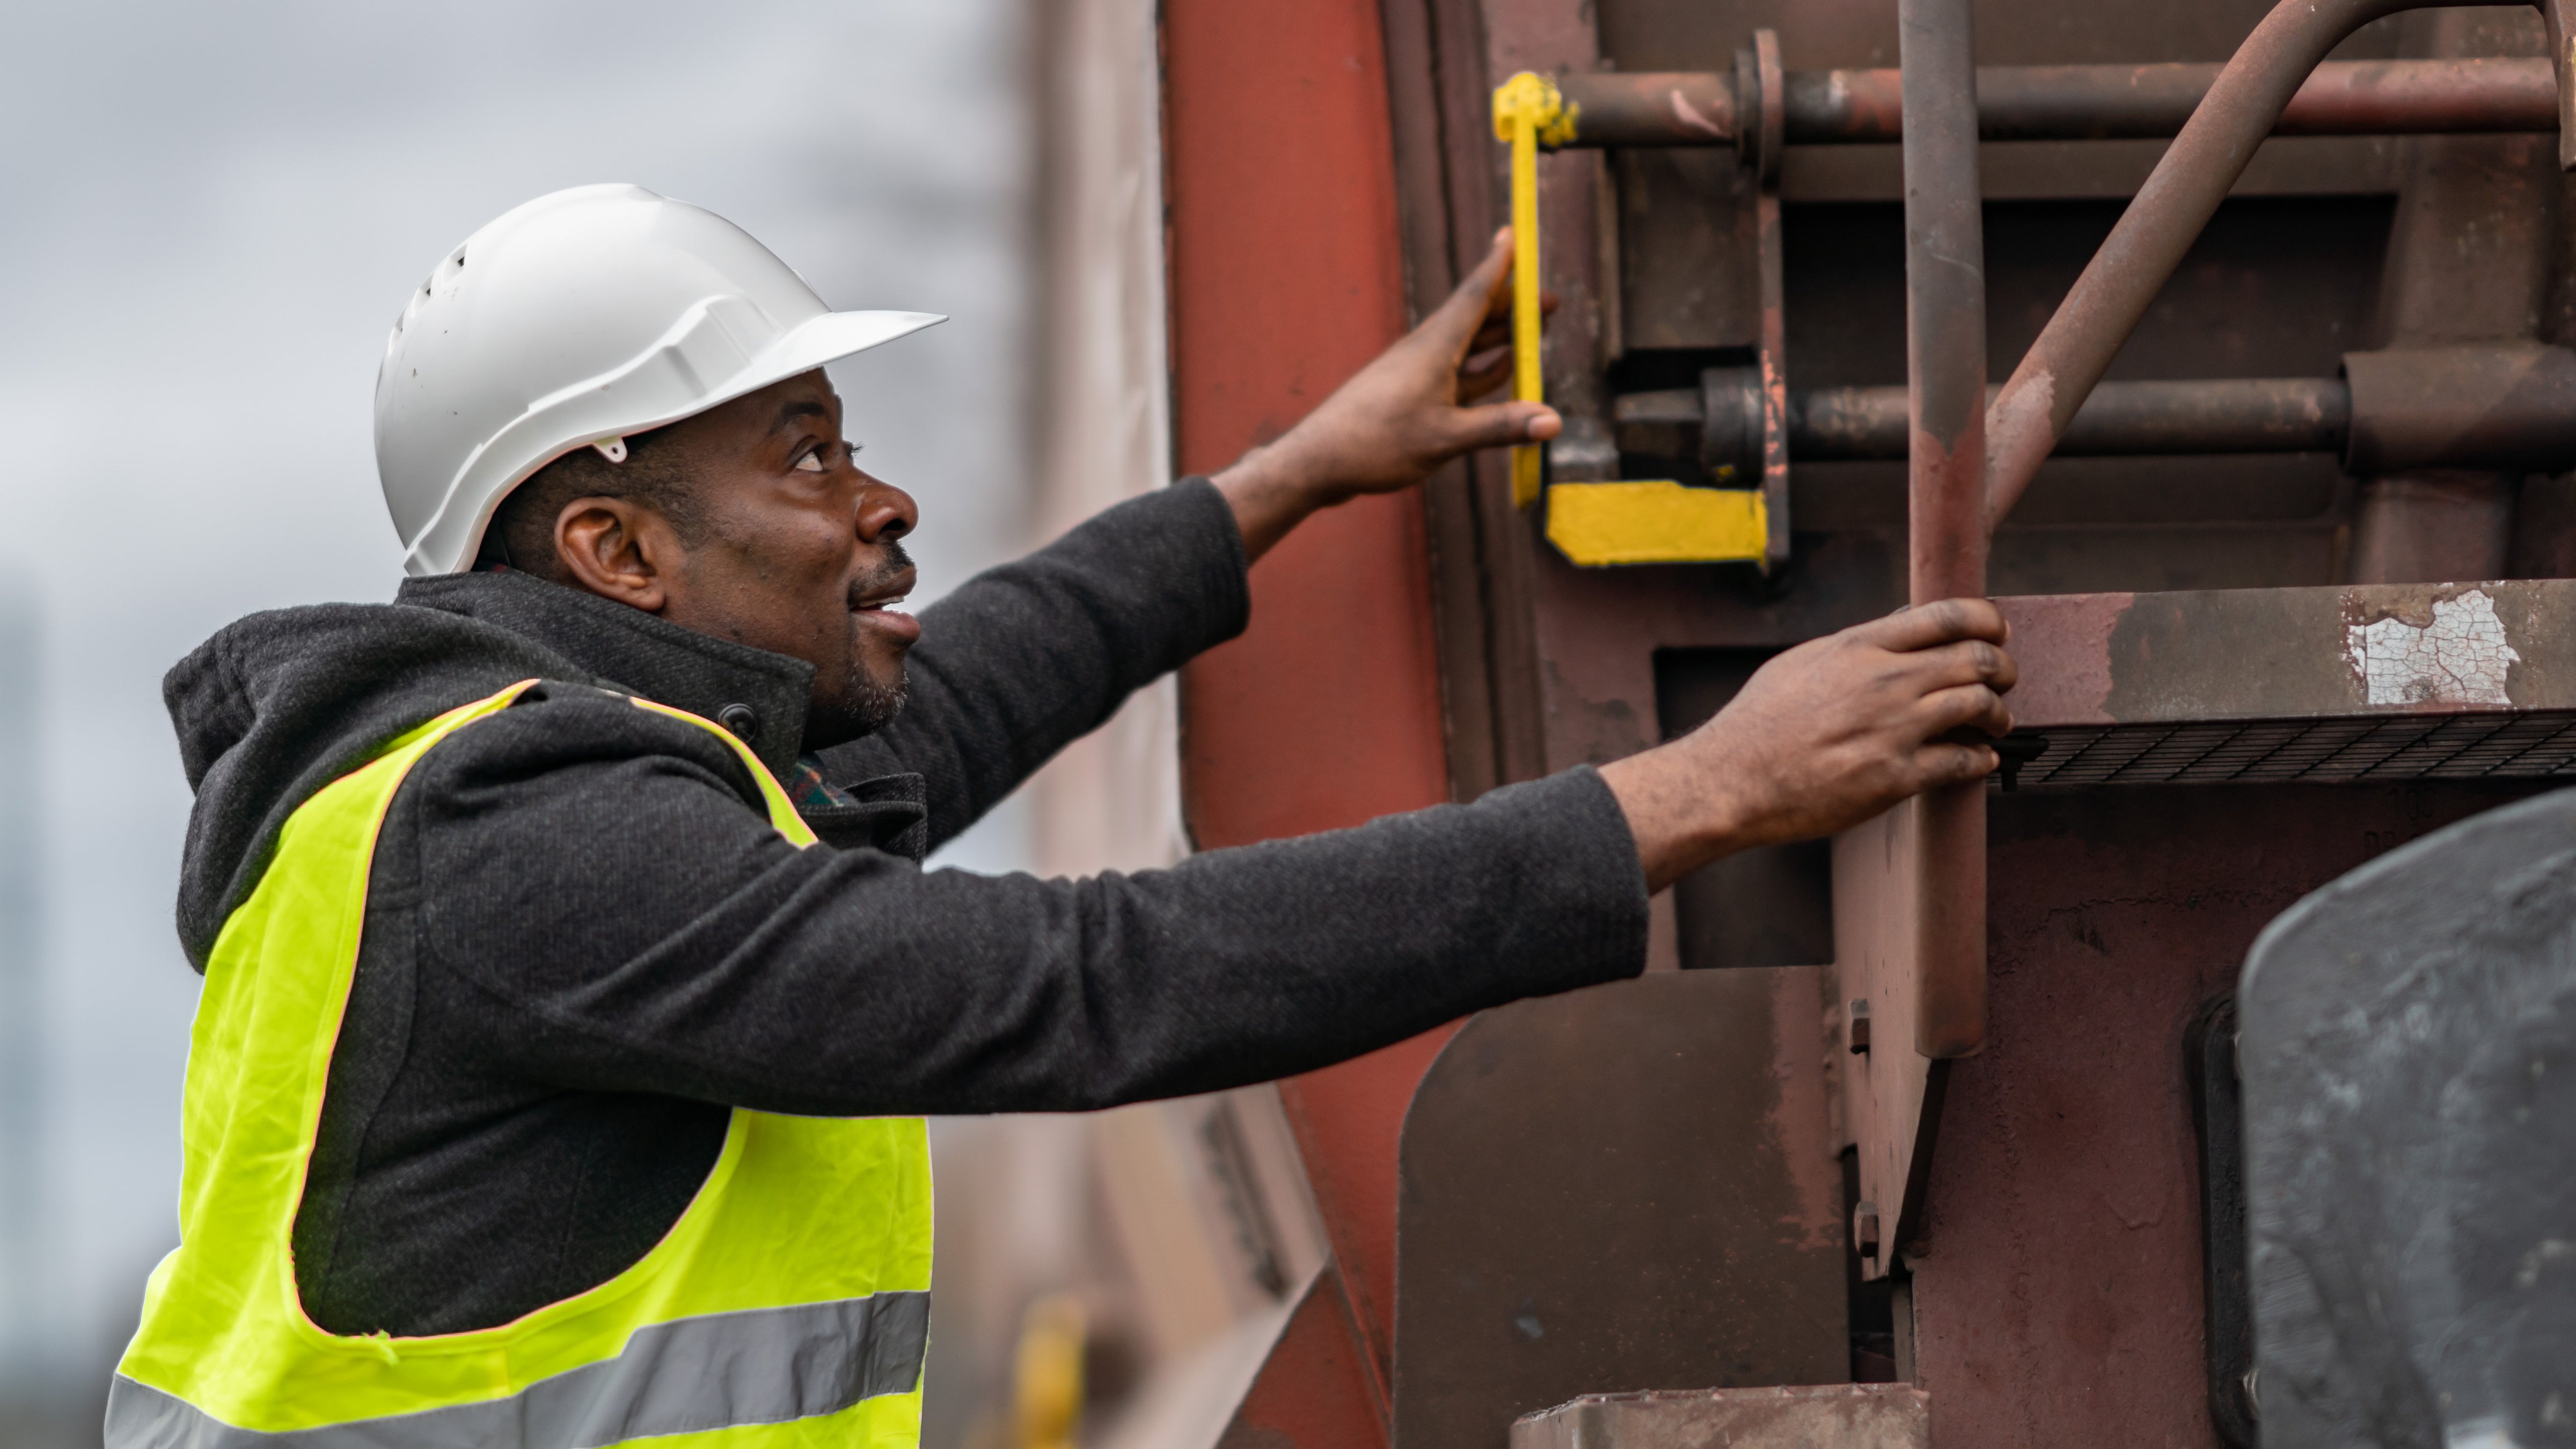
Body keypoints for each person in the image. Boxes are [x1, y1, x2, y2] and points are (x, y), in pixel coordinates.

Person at [112, 185, 2016, 1447]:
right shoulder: (529, 842)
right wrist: (1702, 791)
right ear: (615, 550)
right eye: (808, 458)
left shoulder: (546, 777)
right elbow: (1083, 983)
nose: (885, 503)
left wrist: (1291, 476)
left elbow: (960, 694)